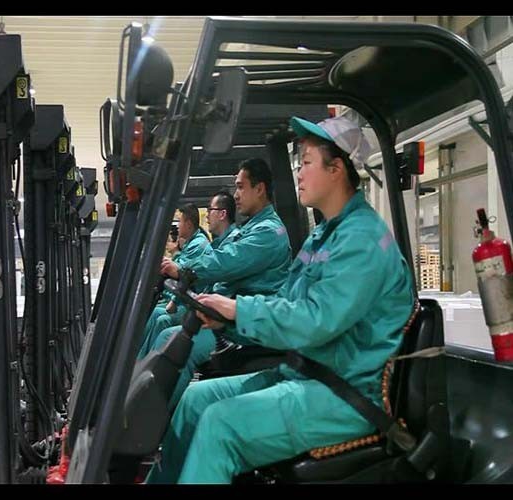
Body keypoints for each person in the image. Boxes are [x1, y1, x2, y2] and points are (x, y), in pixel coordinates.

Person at [145, 115, 415, 484]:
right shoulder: (324, 236)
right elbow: (287, 303)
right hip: (305, 373)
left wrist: (239, 310)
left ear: (336, 169)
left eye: (306, 163)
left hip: (343, 394)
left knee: (220, 424)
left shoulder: (361, 239)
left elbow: (314, 320)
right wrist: (227, 320)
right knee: (194, 403)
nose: (299, 173)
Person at [145, 159, 292, 407]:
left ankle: (150, 418)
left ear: (260, 189)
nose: (236, 195)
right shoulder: (250, 228)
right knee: (169, 337)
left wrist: (184, 270)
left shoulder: (268, 232)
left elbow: (227, 261)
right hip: (231, 317)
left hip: (247, 325)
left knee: (173, 342)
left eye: (241, 187)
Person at [138, 191, 239, 359]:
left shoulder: (226, 244)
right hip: (211, 308)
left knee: (164, 327)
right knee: (156, 316)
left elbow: (205, 271)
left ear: (222, 214)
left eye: (210, 210)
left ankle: (142, 366)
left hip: (222, 315)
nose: (207, 216)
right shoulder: (217, 244)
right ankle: (138, 362)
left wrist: (179, 270)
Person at [139, 203, 212, 357]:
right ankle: (138, 358)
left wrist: (173, 301)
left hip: (191, 302)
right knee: (154, 312)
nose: (177, 226)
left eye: (180, 221)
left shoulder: (198, 245)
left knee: (162, 319)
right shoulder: (191, 243)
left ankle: (148, 360)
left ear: (189, 224)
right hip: (185, 299)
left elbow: (185, 274)